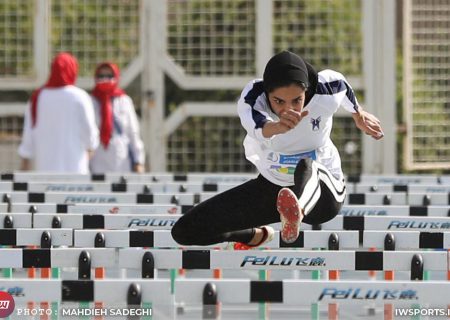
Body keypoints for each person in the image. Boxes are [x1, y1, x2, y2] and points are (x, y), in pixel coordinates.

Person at [171, 50, 384, 248]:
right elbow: (256, 125)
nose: (288, 109)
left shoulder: (326, 88)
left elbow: (344, 86)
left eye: (297, 100)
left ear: (307, 91)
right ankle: (254, 235)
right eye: (279, 101)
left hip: (324, 196)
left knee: (307, 165)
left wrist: (359, 114)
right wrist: (276, 127)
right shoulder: (254, 97)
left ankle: (296, 211)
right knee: (184, 231)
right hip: (274, 189)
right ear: (267, 94)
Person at [18, 52, 99, 173]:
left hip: (45, 171)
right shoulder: (80, 96)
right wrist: (90, 148)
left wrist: (25, 163)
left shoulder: (38, 97)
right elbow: (90, 132)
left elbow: (28, 134)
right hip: (75, 170)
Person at [89, 62, 145, 173]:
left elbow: (133, 132)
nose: (105, 80)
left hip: (120, 157)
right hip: (97, 157)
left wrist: (138, 161)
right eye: (101, 76)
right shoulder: (90, 101)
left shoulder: (124, 101)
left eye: (109, 76)